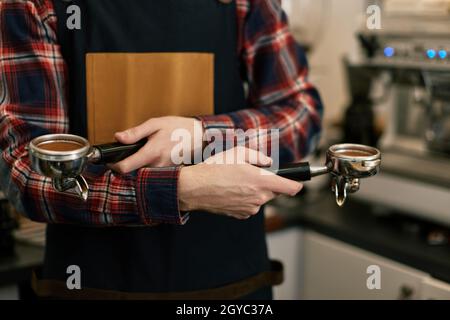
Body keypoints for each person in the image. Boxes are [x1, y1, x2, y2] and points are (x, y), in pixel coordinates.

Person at [0, 0, 323, 299]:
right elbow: (28, 175)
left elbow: (301, 117)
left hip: (230, 290)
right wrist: (180, 190)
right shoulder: (36, 4)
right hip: (94, 288)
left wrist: (202, 134)